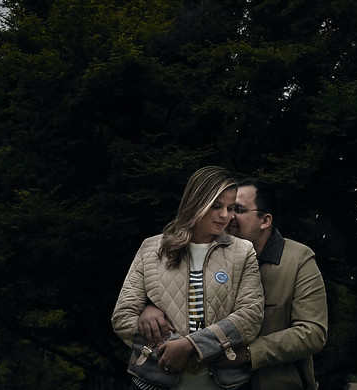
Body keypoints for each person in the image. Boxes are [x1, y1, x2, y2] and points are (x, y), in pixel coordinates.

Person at [139, 178, 328, 390]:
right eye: (226, 208)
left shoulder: (298, 260)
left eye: (238, 209)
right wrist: (149, 306)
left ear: (265, 220)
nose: (228, 216)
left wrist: (249, 354)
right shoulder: (207, 252)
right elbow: (179, 298)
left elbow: (313, 333)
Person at [113, 166, 264, 390]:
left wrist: (190, 347)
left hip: (222, 383)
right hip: (155, 382)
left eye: (230, 208)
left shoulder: (242, 251)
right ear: (196, 202)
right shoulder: (151, 248)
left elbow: (250, 316)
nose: (226, 215)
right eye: (216, 206)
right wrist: (169, 348)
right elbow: (123, 316)